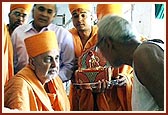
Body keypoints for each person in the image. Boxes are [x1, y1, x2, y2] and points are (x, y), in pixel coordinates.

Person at [68, 4, 133, 111]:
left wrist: (126, 78)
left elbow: (137, 73)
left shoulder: (131, 40)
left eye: (83, 15)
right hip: (81, 94)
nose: (79, 19)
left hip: (114, 98)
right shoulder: (68, 38)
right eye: (75, 16)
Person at [97, 15, 164, 111]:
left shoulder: (144, 54)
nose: (101, 55)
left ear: (108, 43)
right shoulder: (140, 56)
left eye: (99, 47)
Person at [11, 4, 75, 89]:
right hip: (22, 87)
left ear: (54, 15)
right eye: (41, 9)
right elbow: (12, 63)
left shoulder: (63, 35)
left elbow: (69, 66)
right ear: (33, 11)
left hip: (53, 89)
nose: (44, 14)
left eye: (49, 11)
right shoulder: (18, 33)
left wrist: (51, 82)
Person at [4, 31, 70, 111]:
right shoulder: (20, 85)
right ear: (32, 63)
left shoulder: (56, 80)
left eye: (56, 58)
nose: (55, 65)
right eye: (48, 59)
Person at [3, 4, 32, 85]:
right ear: (9, 15)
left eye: (24, 16)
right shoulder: (3, 33)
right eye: (17, 14)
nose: (20, 19)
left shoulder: (30, 38)